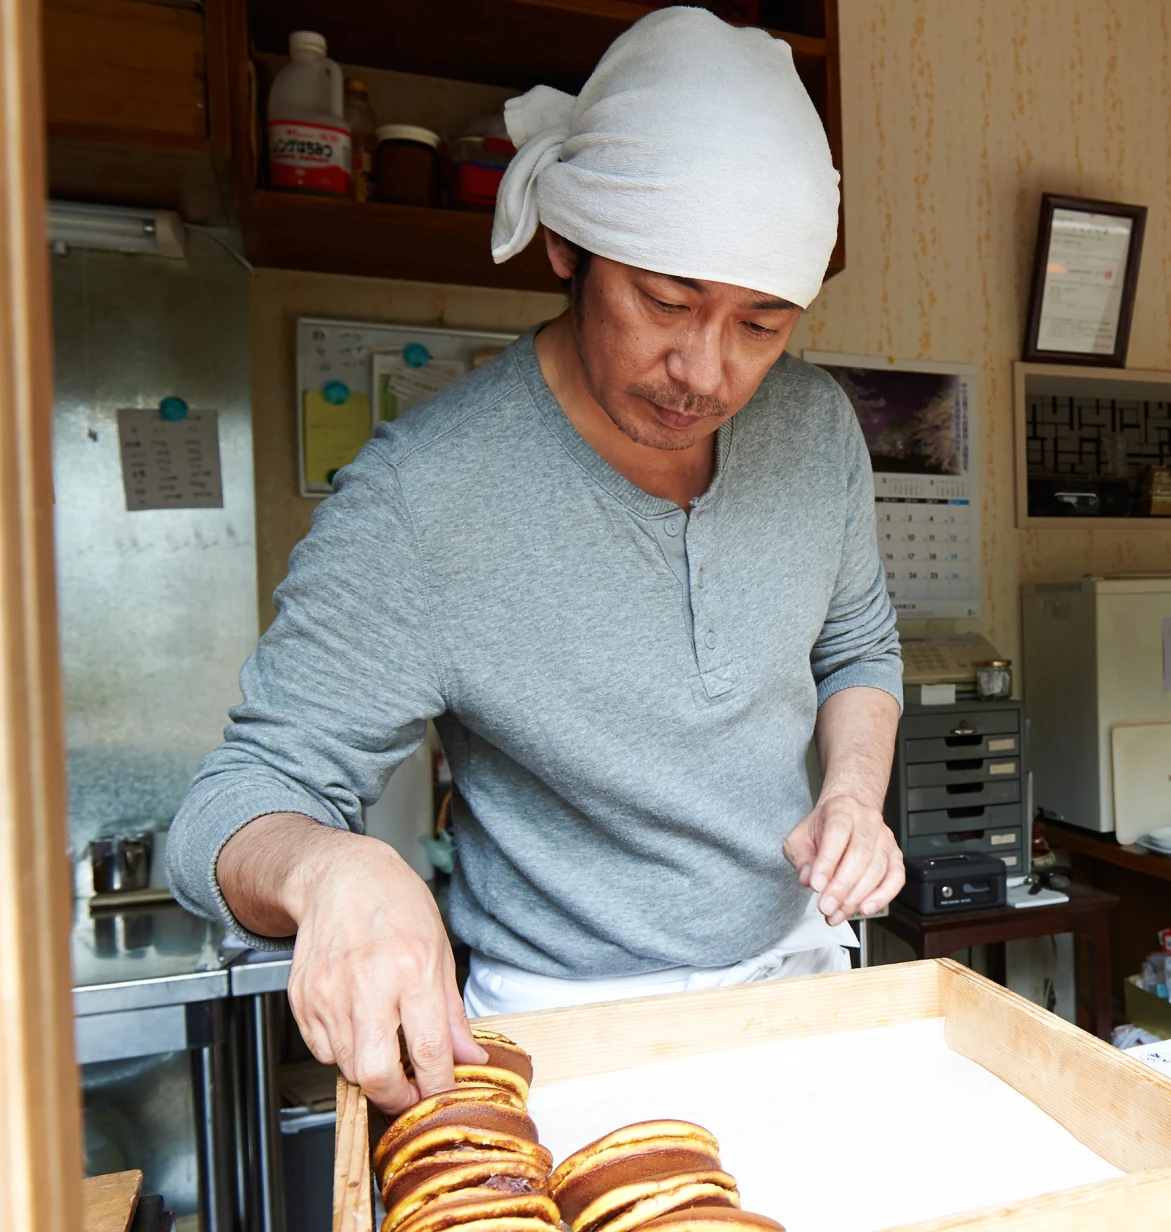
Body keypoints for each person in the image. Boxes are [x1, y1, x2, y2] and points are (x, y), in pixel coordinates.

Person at [164, 10, 904, 1114]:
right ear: (567, 246)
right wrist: (332, 869)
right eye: (665, 300)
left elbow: (858, 644)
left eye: (761, 323)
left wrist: (852, 794)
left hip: (801, 988)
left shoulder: (815, 429)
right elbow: (226, 807)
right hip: (557, 1036)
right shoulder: (427, 497)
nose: (705, 370)